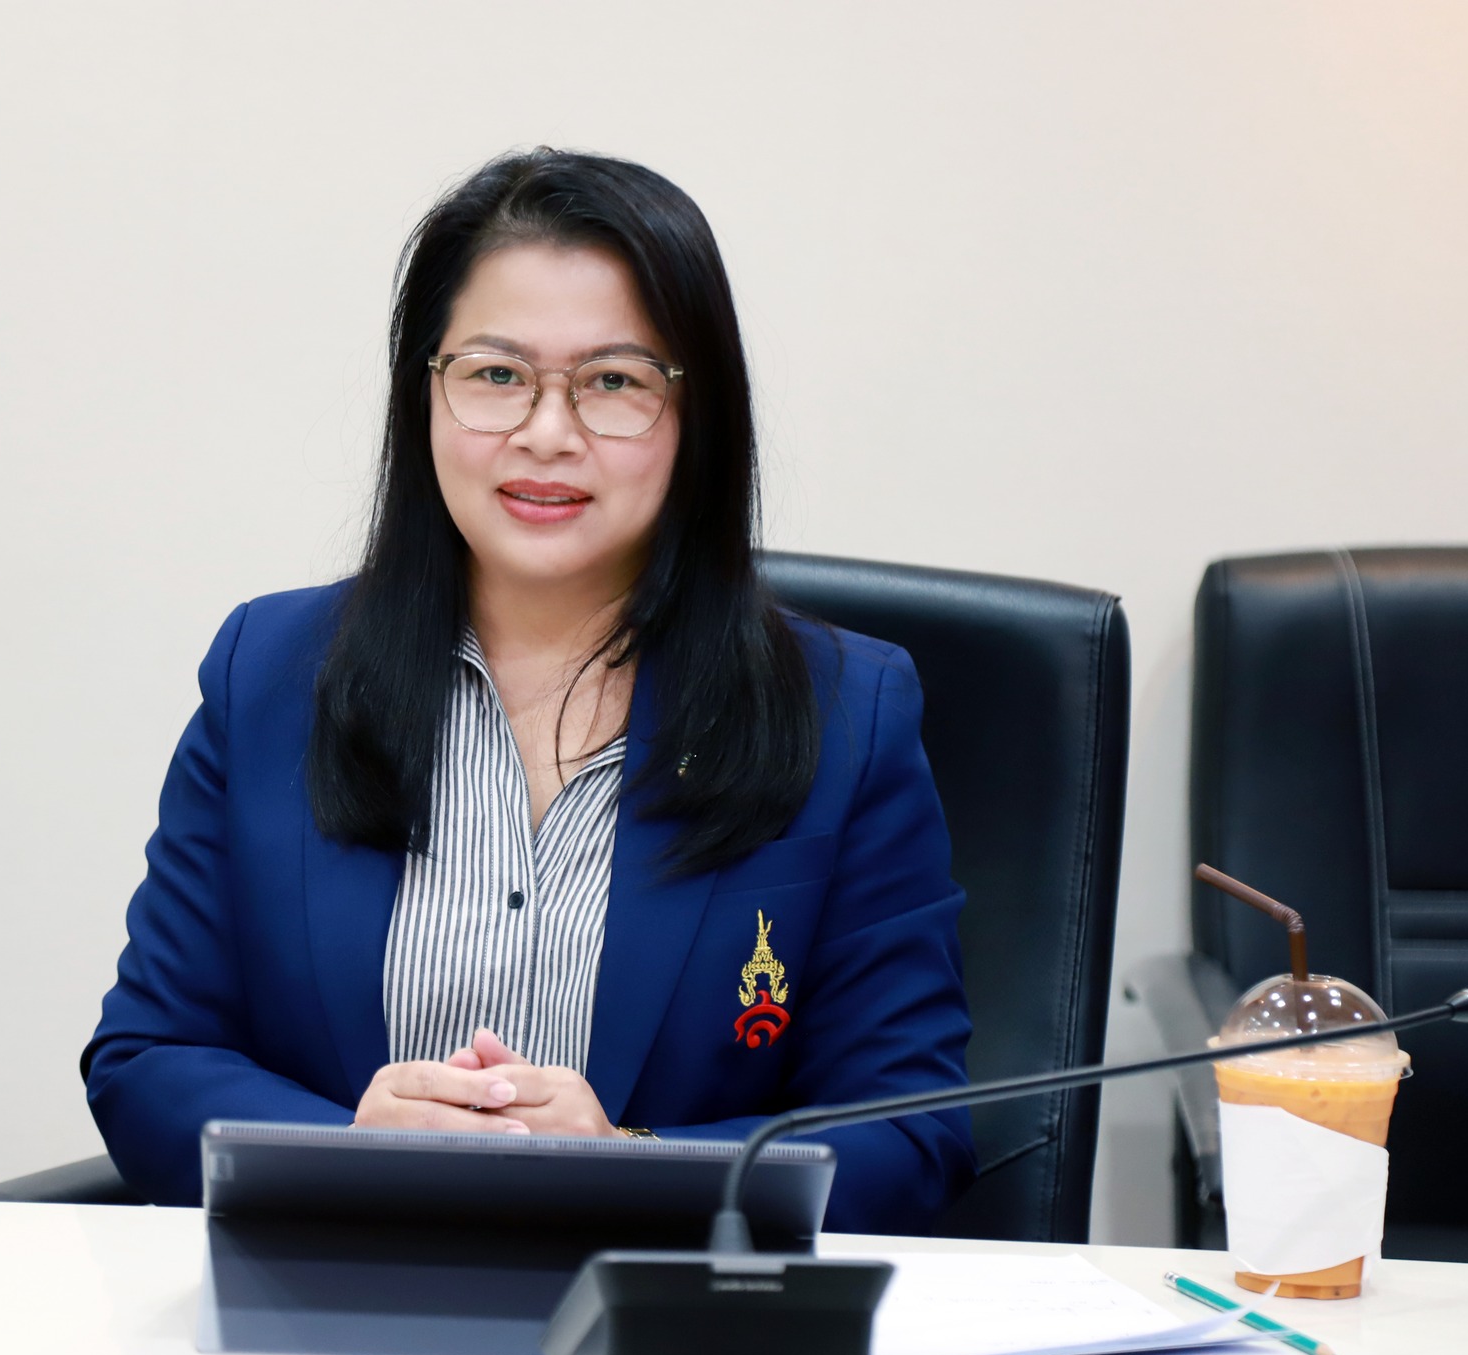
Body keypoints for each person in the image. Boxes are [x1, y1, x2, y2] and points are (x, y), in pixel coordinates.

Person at [82, 149, 973, 1233]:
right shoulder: (268, 672)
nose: (547, 434)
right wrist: (348, 1148)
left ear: (694, 415)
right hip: (334, 1290)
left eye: (614, 382)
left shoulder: (846, 714)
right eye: (496, 375)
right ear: (425, 392)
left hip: (665, 1306)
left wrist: (628, 1165)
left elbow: (912, 1132)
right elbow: (149, 1057)